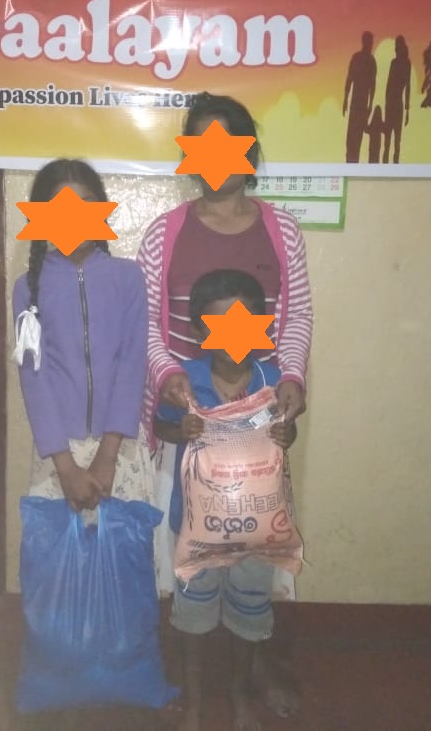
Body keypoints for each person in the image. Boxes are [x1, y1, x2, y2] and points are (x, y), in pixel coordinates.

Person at [136, 92, 312, 722]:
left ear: (248, 152)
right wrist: (169, 380)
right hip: (192, 426)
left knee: (255, 555)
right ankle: (193, 685)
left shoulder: (281, 230)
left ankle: (252, 672)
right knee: (195, 557)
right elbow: (150, 326)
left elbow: (296, 316)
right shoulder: (165, 233)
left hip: (259, 428)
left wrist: (292, 380)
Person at [155, 269, 296, 731]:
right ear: (200, 332)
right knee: (192, 618)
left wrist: (287, 433)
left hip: (257, 528)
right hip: (199, 527)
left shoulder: (272, 380)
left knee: (250, 613)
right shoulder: (187, 382)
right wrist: (181, 429)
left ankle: (239, 694)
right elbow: (161, 425)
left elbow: (288, 431)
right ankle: (194, 702)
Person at [13, 159, 152, 512]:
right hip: (58, 452)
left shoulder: (128, 278)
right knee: (60, 546)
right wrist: (66, 467)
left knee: (122, 543)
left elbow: (132, 364)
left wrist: (108, 455)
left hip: (119, 446)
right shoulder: (27, 288)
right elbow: (33, 376)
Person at [343, 31, 377, 163]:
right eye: (369, 42)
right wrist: (345, 99)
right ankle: (350, 163)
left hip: (362, 105)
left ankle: (353, 165)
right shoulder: (357, 58)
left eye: (371, 42)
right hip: (355, 104)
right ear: (364, 42)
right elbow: (349, 79)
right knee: (350, 140)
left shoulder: (372, 62)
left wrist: (370, 105)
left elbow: (373, 85)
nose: (371, 45)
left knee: (357, 140)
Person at [383, 35, 412, 164]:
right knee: (390, 138)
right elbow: (389, 84)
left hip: (395, 103)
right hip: (393, 103)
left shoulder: (402, 63)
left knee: (395, 138)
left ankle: (394, 163)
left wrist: (407, 109)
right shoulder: (398, 63)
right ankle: (388, 163)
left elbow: (407, 86)